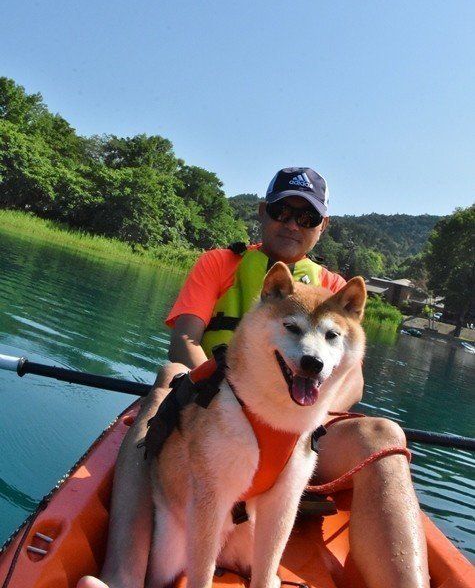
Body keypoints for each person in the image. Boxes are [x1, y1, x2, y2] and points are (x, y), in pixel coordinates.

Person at [78, 168, 429, 588]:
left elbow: (354, 380)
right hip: (219, 414)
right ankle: (123, 576)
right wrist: (221, 391)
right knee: (170, 376)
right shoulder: (219, 263)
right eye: (283, 211)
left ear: (323, 226)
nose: (292, 224)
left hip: (305, 431)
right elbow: (185, 340)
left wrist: (308, 410)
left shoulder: (335, 289)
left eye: (307, 217)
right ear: (263, 211)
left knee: (386, 436)